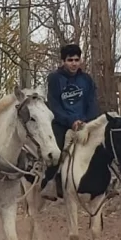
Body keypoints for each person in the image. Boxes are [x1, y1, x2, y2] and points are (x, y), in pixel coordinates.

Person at [43, 43, 99, 198]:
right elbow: (54, 106)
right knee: (56, 151)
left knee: (104, 145)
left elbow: (92, 102)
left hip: (86, 123)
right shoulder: (54, 79)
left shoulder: (86, 79)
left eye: (76, 59)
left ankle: (106, 181)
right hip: (62, 123)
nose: (74, 63)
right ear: (63, 61)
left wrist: (86, 121)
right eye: (70, 60)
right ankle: (51, 182)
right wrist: (71, 121)